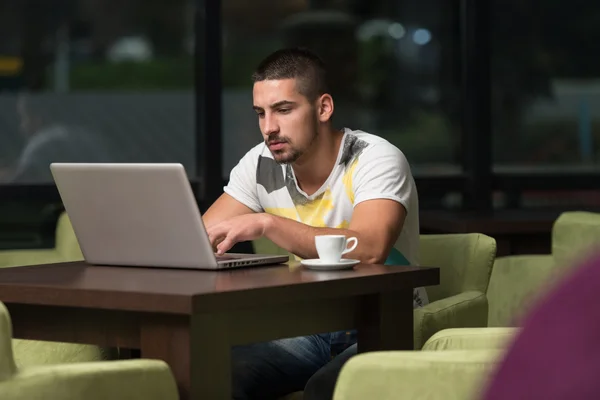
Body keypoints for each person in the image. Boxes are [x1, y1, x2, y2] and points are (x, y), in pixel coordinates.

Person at [203, 47, 428, 399]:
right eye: (260, 113)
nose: (268, 128)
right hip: (308, 323)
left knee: (326, 387)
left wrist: (267, 224)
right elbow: (201, 238)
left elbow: (369, 249)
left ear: (323, 108)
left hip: (384, 320)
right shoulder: (259, 163)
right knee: (220, 375)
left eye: (283, 110)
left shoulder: (375, 157)